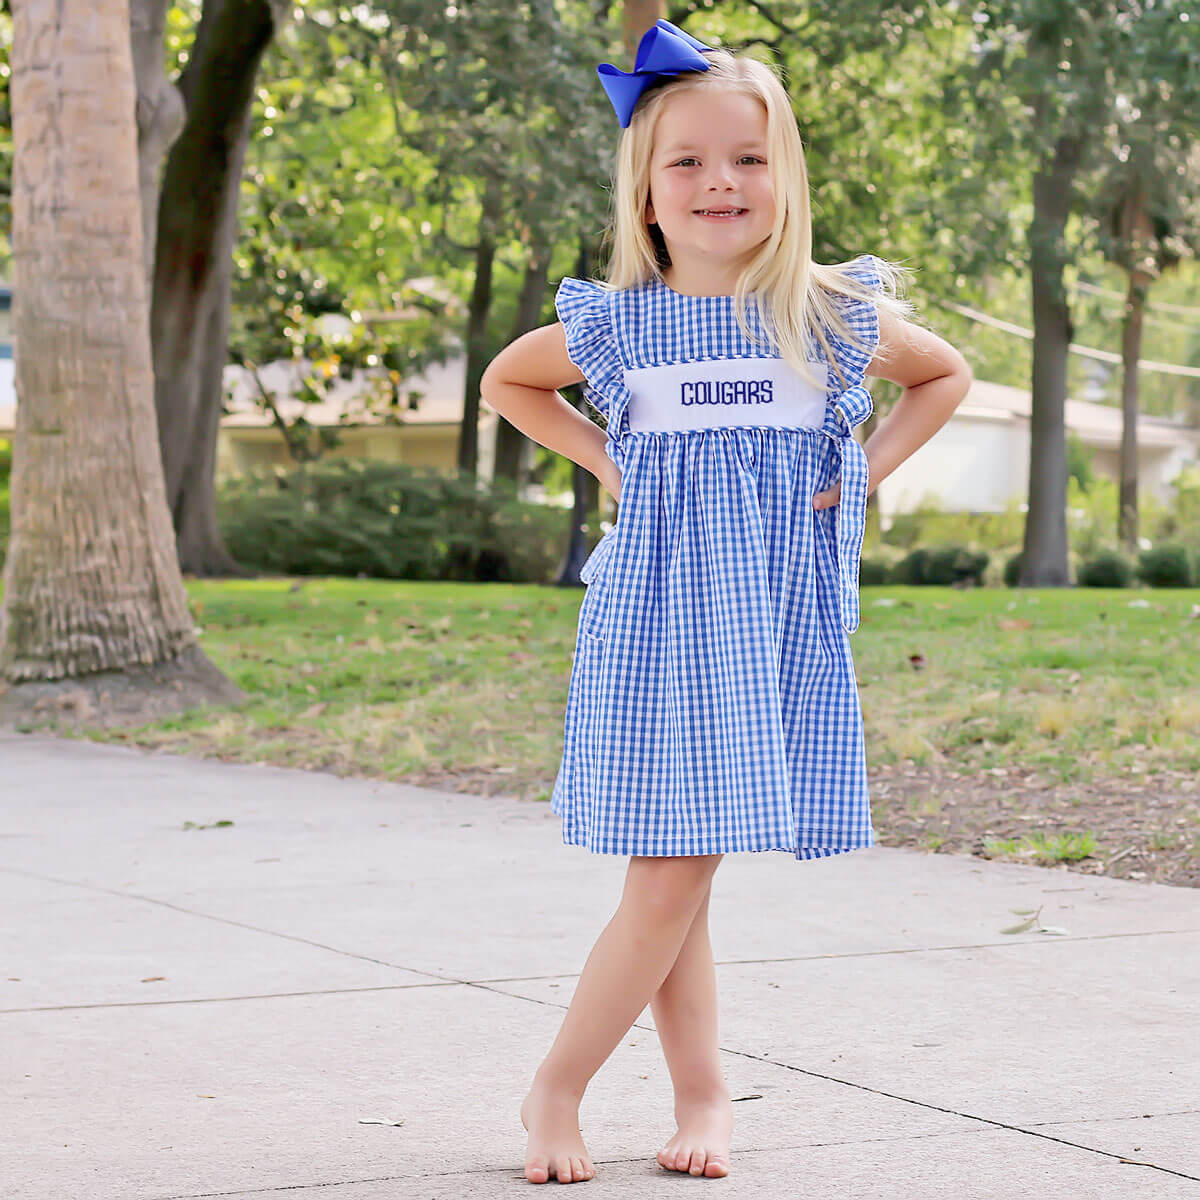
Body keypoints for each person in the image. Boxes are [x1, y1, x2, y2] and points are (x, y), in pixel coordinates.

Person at [479, 20, 972, 1187]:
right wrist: (609, 462)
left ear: (784, 176)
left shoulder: (828, 316)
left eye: (749, 159)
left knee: (679, 872)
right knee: (672, 870)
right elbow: (510, 381)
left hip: (767, 622)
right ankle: (559, 1088)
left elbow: (945, 374)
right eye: (689, 161)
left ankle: (702, 1092)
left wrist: (858, 471)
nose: (721, 182)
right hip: (657, 625)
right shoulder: (621, 323)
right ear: (646, 190)